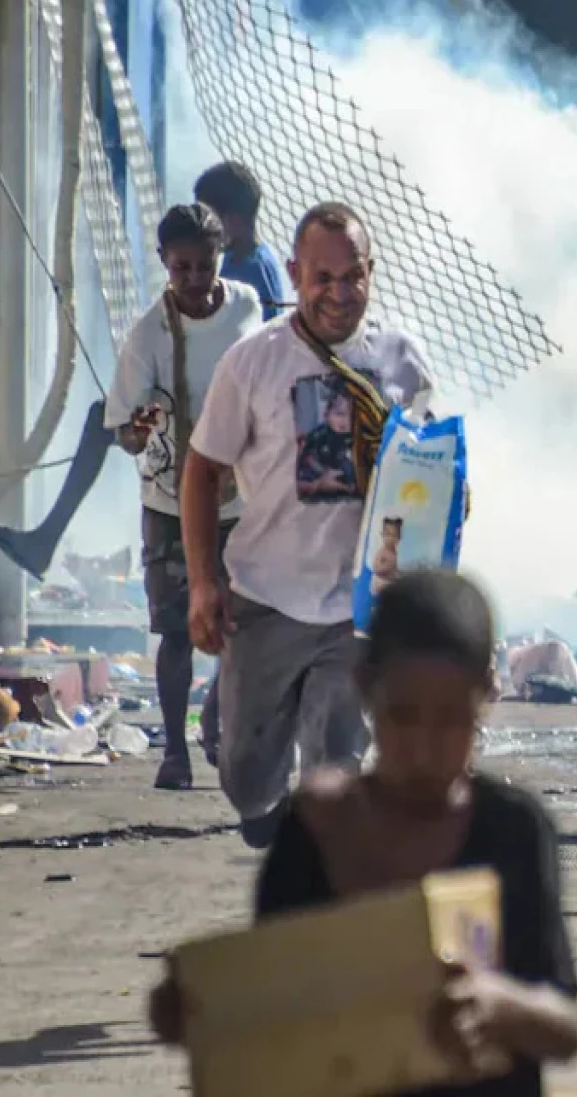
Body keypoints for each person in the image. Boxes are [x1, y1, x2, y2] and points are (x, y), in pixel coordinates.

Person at [150, 569, 577, 1093]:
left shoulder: (514, 830)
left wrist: (500, 1005)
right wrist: (195, 1007)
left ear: (485, 698)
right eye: (403, 716)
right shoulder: (317, 827)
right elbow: (267, 1001)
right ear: (364, 690)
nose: (425, 748)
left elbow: (567, 1028)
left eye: (451, 719)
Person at [181, 202, 438, 848]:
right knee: (245, 776)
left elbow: (433, 469)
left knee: (335, 759)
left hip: (358, 609)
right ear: (295, 274)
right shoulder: (253, 362)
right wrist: (204, 585)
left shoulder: (400, 360)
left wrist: (449, 504)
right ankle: (260, 798)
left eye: (352, 277)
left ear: (371, 273)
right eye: (322, 278)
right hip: (264, 599)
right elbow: (201, 471)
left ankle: (325, 883)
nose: (338, 294)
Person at [105, 203, 263, 789]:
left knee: (244, 622)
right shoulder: (148, 335)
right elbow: (124, 430)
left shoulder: (248, 307)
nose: (196, 280)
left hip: (244, 499)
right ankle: (175, 751)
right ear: (164, 265)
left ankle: (217, 716)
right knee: (176, 629)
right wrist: (138, 432)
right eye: (182, 269)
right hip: (171, 502)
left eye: (205, 266)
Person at [194, 160, 289, 320]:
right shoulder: (234, 256)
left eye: (207, 217)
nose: (202, 225)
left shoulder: (255, 272)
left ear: (233, 220)